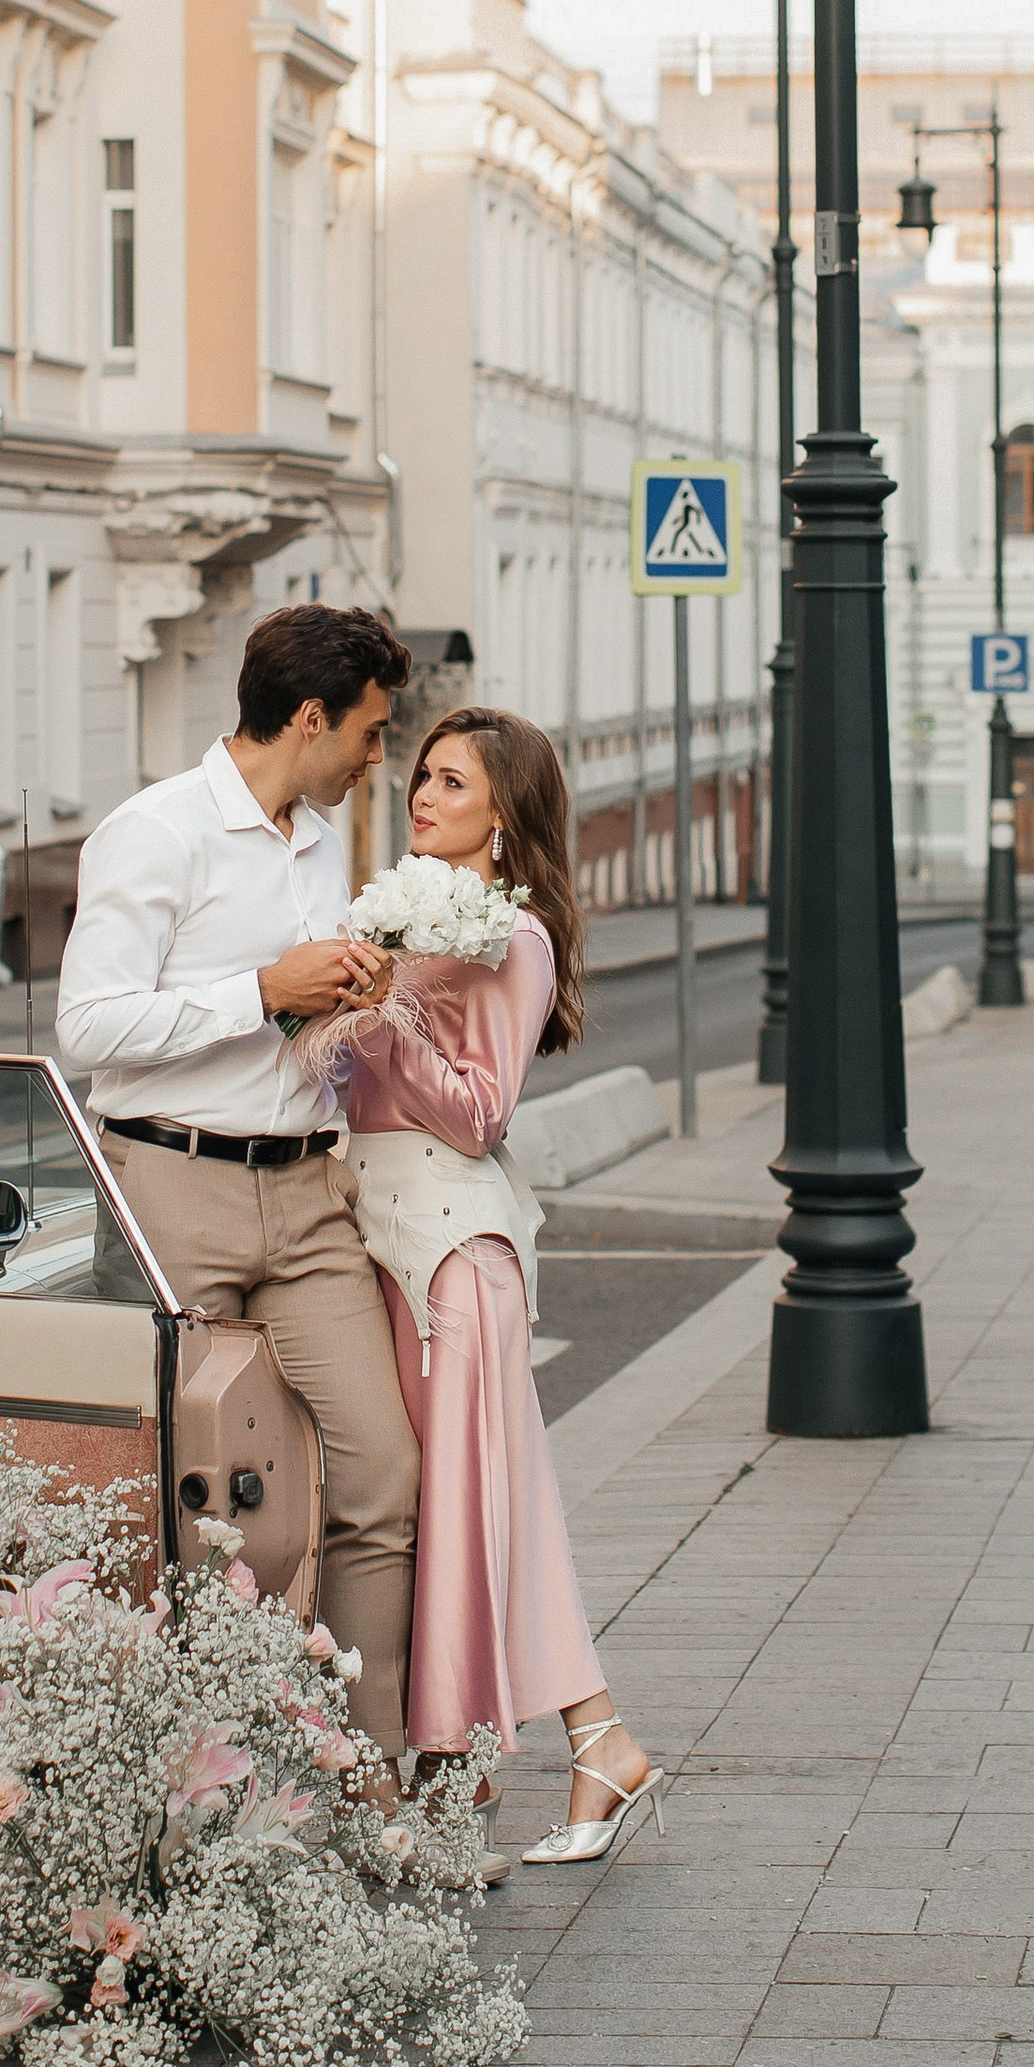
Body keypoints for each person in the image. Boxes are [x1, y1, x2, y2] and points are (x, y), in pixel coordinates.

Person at [54, 603, 416, 1762]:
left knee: (379, 1474)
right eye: (365, 734)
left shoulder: (314, 837)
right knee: (188, 1507)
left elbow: (295, 1013)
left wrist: (348, 998)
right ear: (308, 718)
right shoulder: (154, 832)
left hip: (308, 1199)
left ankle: (363, 1784)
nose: (376, 759)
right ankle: (205, 1787)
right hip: (174, 1191)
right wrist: (263, 989)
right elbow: (88, 1028)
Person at [332, 707, 666, 1866]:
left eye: (453, 782)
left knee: (471, 1515)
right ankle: (588, 1746)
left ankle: (463, 1772)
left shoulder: (509, 937)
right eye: (422, 774)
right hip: (385, 1245)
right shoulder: (406, 918)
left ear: (504, 816)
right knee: (461, 1512)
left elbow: (480, 1115)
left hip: (456, 1263)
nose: (423, 795)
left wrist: (380, 1025)